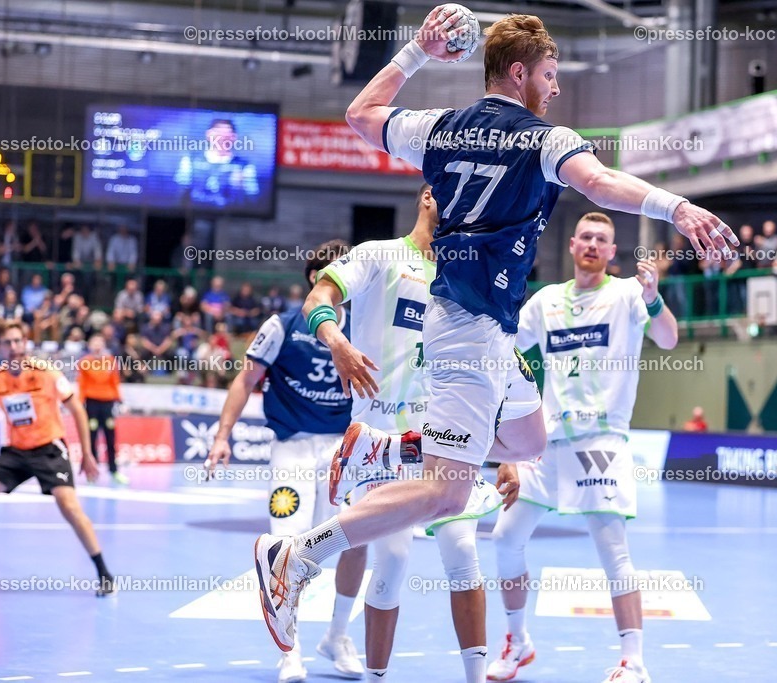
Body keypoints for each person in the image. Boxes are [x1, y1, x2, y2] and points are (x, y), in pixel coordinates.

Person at [252, 8, 734, 665]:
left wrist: (417, 53)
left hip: (490, 329)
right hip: (467, 326)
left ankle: (390, 450)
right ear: (519, 74)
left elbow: (360, 116)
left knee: (529, 441)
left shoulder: (440, 129)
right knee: (449, 492)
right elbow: (600, 182)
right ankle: (295, 552)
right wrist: (674, 206)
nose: (556, 87)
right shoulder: (544, 138)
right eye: (549, 74)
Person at [304, 184, 544, 683]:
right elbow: (318, 298)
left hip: (446, 444)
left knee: (464, 556)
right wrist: (338, 343)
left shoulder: (471, 279)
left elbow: (499, 369)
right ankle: (372, 674)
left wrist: (510, 454)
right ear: (429, 196)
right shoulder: (379, 256)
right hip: (382, 445)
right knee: (389, 564)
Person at [486, 212, 678, 683]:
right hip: (546, 442)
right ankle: (518, 641)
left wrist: (654, 300)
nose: (593, 244)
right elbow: (503, 349)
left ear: (613, 252)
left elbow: (670, 339)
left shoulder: (629, 295)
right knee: (505, 539)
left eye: (603, 240)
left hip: (600, 441)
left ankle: (634, 662)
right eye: (586, 237)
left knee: (613, 551)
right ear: (572, 246)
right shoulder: (545, 302)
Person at [206, 241, 367, 683]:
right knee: (285, 549)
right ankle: (289, 652)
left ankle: (337, 635)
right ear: (314, 279)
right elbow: (246, 379)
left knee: (356, 538)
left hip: (344, 450)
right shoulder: (282, 325)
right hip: (293, 448)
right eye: (329, 272)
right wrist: (222, 436)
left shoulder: (366, 324)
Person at [0, 321, 115, 596]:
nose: (14, 347)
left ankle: (104, 574)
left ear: (25, 344)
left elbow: (78, 411)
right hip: (16, 452)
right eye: (8, 343)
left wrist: (87, 453)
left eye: (18, 341)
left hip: (49, 449)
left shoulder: (47, 373)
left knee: (69, 505)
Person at [174, 119, 259, 208]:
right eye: (218, 133)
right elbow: (179, 193)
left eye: (226, 134)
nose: (221, 138)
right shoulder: (190, 160)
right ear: (208, 134)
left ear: (234, 137)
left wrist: (240, 188)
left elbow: (252, 201)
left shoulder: (245, 166)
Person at [78, 334, 127, 485]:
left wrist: (120, 400)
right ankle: (92, 472)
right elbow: (82, 384)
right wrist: (79, 403)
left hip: (108, 404)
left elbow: (115, 382)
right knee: (91, 438)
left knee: (110, 438)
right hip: (91, 404)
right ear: (90, 345)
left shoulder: (110, 361)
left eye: (100, 343)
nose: (97, 346)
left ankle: (114, 471)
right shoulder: (84, 362)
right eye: (94, 343)